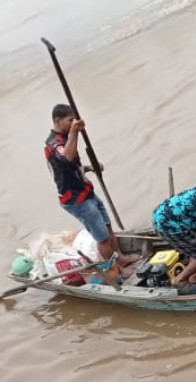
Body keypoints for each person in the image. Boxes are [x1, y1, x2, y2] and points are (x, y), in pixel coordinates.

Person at [44, 104, 137, 267]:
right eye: (70, 120)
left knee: (108, 228)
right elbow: (67, 157)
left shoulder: (65, 137)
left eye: (74, 119)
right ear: (58, 121)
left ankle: (120, 258)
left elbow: (69, 167)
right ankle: (116, 269)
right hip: (75, 200)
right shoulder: (53, 144)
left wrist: (88, 167)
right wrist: (75, 131)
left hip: (86, 192)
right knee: (102, 237)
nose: (73, 123)